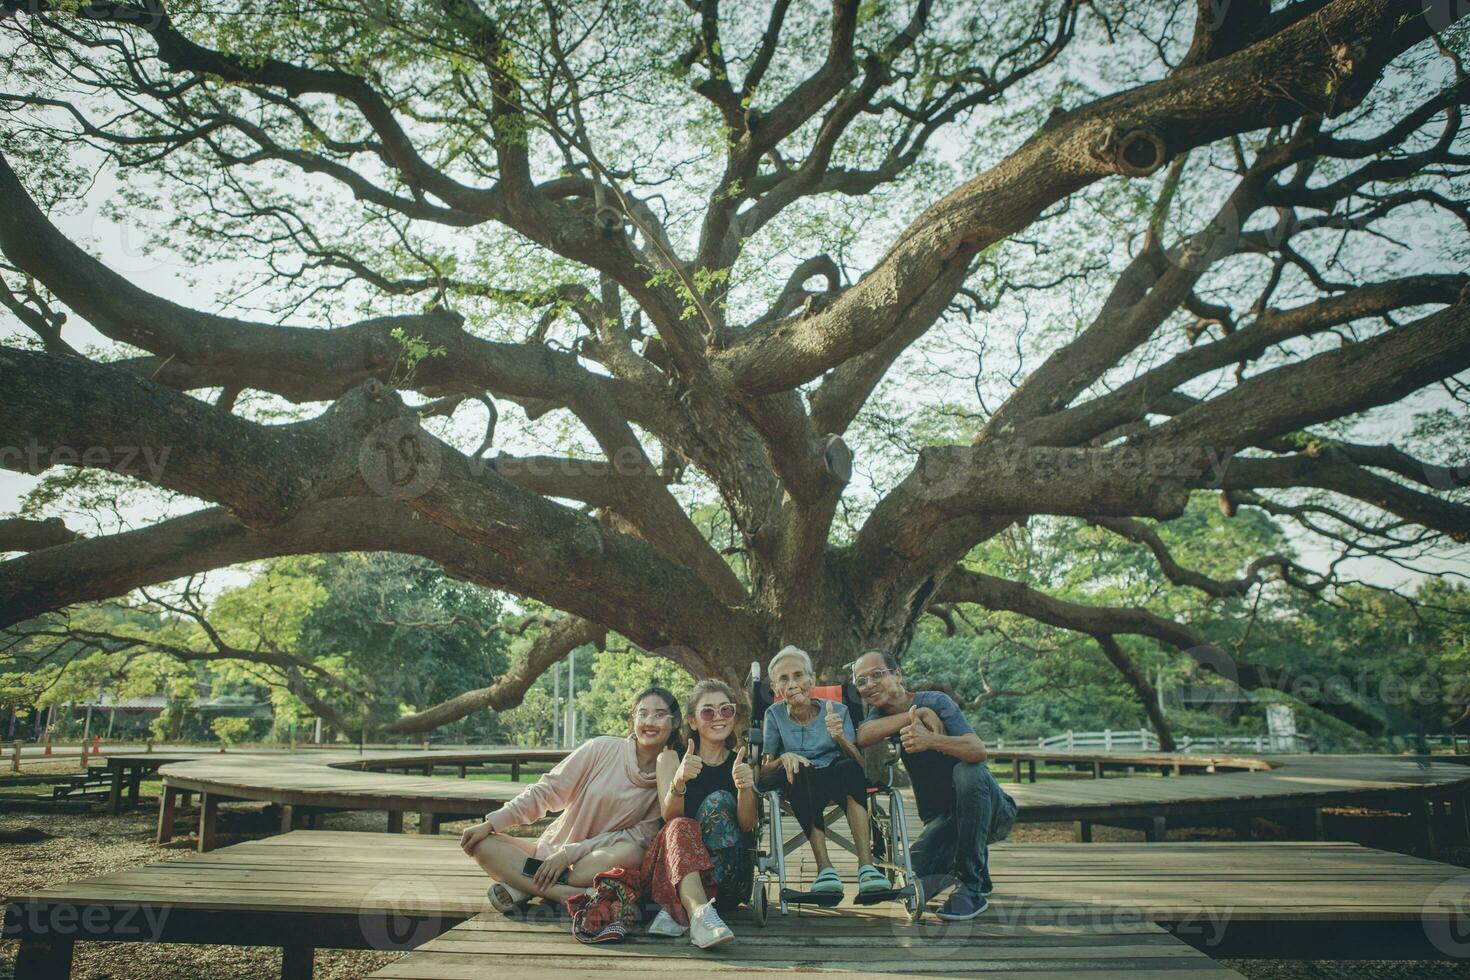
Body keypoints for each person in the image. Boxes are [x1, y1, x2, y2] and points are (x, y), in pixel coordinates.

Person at [459, 687, 678, 912]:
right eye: (643, 713)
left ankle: (523, 887)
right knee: (481, 843)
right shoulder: (601, 748)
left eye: (660, 715)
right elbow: (547, 790)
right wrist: (492, 823)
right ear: (633, 720)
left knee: (633, 853)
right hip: (549, 855)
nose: (649, 721)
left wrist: (570, 854)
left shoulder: (669, 775)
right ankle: (565, 894)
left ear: (675, 723)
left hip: (592, 864)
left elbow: (637, 838)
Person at [853, 651, 1016, 922]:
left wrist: (931, 741)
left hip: (992, 811)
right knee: (912, 882)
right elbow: (863, 736)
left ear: (898, 675)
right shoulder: (878, 716)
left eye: (877, 674)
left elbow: (978, 750)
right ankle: (977, 873)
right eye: (861, 681)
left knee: (968, 771)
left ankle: (971, 885)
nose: (869, 684)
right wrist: (913, 717)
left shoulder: (937, 701)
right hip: (943, 820)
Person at [757, 644, 889, 896]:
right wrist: (783, 757)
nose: (792, 683)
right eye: (783, 678)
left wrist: (840, 737)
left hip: (838, 778)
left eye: (798, 675)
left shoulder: (838, 710)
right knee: (797, 771)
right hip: (801, 783)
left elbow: (861, 767)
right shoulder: (773, 715)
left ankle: (867, 866)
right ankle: (824, 869)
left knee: (848, 767)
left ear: (812, 680)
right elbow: (764, 770)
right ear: (775, 689)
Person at [640, 679, 757, 948]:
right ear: (692, 721)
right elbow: (669, 816)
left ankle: (677, 910)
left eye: (725, 710)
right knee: (680, 825)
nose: (718, 717)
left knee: (719, 801)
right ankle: (700, 916)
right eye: (708, 711)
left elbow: (748, 825)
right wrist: (679, 782)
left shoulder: (741, 762)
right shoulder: (670, 758)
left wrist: (744, 789)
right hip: (671, 870)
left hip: (727, 879)